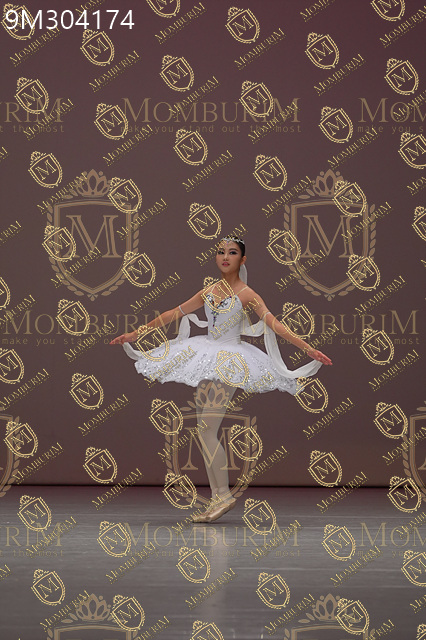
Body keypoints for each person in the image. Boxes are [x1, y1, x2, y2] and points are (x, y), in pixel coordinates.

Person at [110, 235, 332, 523]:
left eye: (233, 252)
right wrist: (135, 334)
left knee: (206, 430)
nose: (225, 256)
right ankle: (218, 497)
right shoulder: (209, 290)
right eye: (221, 252)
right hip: (206, 355)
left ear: (243, 259)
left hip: (230, 361)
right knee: (204, 430)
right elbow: (173, 313)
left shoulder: (248, 294)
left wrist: (307, 348)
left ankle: (224, 496)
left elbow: (274, 323)